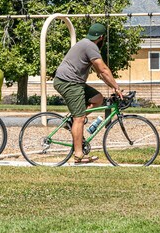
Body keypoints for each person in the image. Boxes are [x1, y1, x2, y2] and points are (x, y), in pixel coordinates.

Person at [53, 22, 123, 164]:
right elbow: (103, 69)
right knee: (79, 118)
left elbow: (101, 74)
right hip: (69, 82)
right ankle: (79, 155)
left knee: (98, 99)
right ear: (102, 37)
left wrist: (112, 87)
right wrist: (116, 87)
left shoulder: (86, 44)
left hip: (73, 81)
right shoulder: (91, 47)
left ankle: (73, 123)